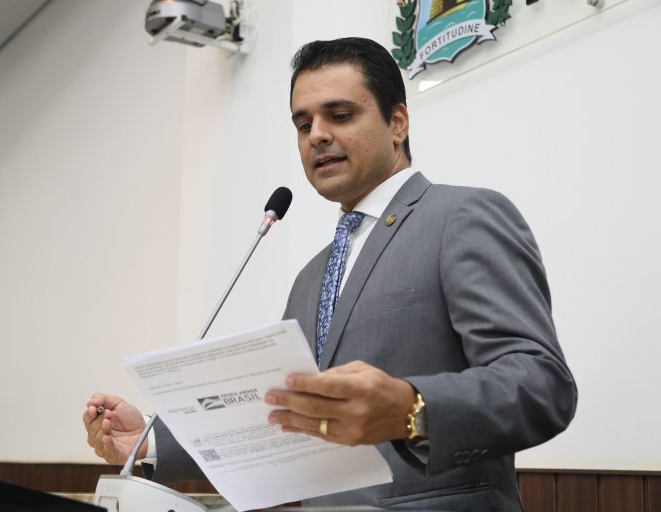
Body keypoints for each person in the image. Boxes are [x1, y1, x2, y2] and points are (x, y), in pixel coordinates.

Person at [84, 37, 577, 510]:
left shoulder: (460, 217)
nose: (317, 135)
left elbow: (541, 384)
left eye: (339, 116)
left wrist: (413, 408)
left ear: (397, 122)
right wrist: (149, 439)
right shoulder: (310, 277)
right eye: (303, 124)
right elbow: (287, 415)